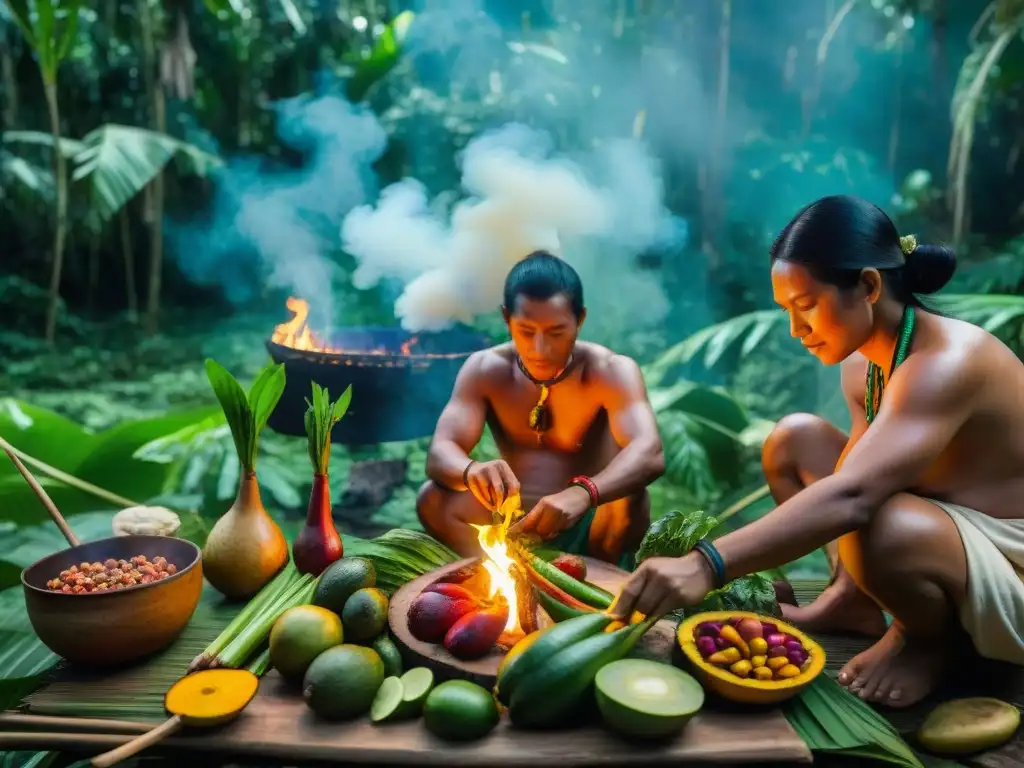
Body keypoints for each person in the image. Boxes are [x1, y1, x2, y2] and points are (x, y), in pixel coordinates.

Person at [609, 194, 1024, 709]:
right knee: (794, 440)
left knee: (877, 523)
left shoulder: (947, 361)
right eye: (787, 310)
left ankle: (928, 641)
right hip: (939, 527)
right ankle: (849, 601)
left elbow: (854, 495)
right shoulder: (867, 363)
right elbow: (857, 469)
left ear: (869, 286)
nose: (795, 329)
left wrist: (706, 563)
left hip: (1009, 558)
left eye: (805, 306)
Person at [417, 251, 666, 569]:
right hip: (512, 519)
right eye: (526, 331)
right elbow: (440, 453)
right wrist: (471, 471)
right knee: (433, 498)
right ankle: (499, 576)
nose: (540, 349)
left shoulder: (611, 371)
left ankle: (597, 585)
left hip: (592, 525)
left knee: (628, 499)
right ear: (506, 318)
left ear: (581, 319)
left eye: (556, 332)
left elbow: (649, 452)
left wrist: (583, 494)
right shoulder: (485, 369)